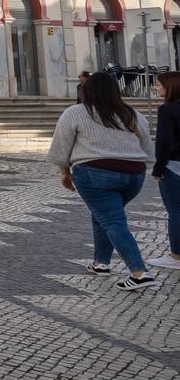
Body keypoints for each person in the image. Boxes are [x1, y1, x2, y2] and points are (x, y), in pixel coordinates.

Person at [46, 71, 155, 291]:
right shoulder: (132, 113)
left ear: (86, 90)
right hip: (134, 175)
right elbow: (147, 147)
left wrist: (64, 172)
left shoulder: (76, 112)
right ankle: (101, 263)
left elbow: (61, 147)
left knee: (113, 220)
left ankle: (139, 272)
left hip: (95, 173)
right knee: (104, 215)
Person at [149, 71, 180, 270]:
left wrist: (158, 168)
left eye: (159, 85)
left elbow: (164, 141)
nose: (156, 88)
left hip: (173, 166)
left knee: (176, 210)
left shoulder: (167, 110)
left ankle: (176, 255)